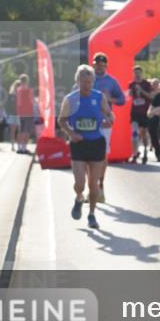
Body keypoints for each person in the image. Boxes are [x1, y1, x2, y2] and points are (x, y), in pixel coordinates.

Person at [59, 65, 114, 229]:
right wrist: (71, 133)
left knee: (93, 184)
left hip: (96, 143)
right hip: (79, 143)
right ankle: (79, 197)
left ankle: (91, 215)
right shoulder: (70, 99)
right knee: (80, 183)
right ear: (77, 81)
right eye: (84, 82)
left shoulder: (99, 97)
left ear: (93, 82)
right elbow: (61, 120)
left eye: (90, 82)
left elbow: (108, 113)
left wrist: (109, 119)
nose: (87, 85)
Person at [90, 53, 127, 201]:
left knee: (102, 155)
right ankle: (91, 187)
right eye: (96, 64)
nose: (99, 67)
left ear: (106, 66)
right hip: (88, 121)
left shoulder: (111, 82)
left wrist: (110, 98)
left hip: (105, 121)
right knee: (88, 155)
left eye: (102, 65)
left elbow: (122, 100)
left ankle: (100, 186)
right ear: (93, 64)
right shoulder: (86, 79)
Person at [128, 65, 154, 164]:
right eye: (135, 73)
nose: (137, 75)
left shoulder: (146, 84)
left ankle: (145, 152)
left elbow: (151, 96)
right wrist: (130, 93)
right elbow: (129, 96)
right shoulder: (131, 84)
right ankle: (134, 154)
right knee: (134, 133)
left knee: (144, 133)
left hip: (144, 112)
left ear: (141, 73)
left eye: (138, 73)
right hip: (135, 112)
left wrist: (141, 91)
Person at [15, 74, 35, 154]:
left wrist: (18, 112)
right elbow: (32, 101)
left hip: (21, 112)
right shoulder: (30, 90)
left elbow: (19, 102)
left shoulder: (18, 90)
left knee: (21, 130)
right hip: (29, 112)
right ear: (27, 81)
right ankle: (24, 148)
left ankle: (19, 147)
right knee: (27, 131)